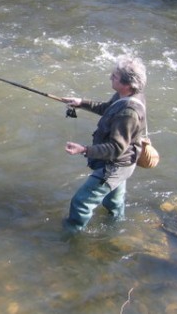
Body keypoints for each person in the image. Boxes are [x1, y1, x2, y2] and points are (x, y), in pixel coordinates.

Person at [62, 55, 148, 233]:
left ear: (127, 84)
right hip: (125, 164)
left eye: (115, 77)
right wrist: (81, 103)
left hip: (115, 166)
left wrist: (84, 150)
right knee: (113, 201)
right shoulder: (126, 95)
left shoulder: (128, 113)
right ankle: (117, 228)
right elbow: (107, 108)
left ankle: (71, 235)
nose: (110, 77)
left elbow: (116, 149)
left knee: (81, 202)